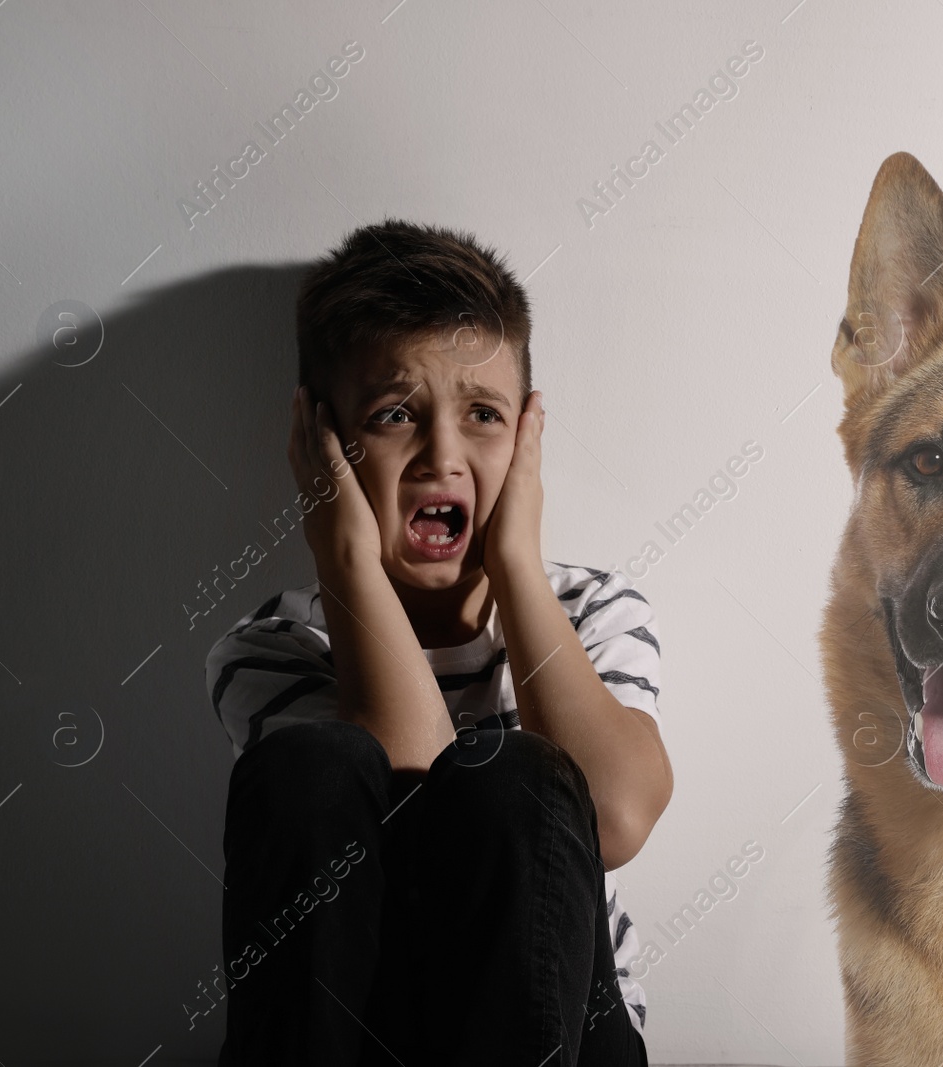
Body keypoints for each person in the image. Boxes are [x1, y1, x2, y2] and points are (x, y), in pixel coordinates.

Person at [205, 220, 672, 1066]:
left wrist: (519, 567)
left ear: (527, 438)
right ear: (322, 444)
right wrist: (343, 552)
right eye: (394, 415)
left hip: (558, 1033)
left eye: (484, 415)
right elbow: (417, 832)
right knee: (309, 763)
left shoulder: (593, 607)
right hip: (366, 1035)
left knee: (515, 771)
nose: (442, 456)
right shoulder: (275, 646)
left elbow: (618, 816)